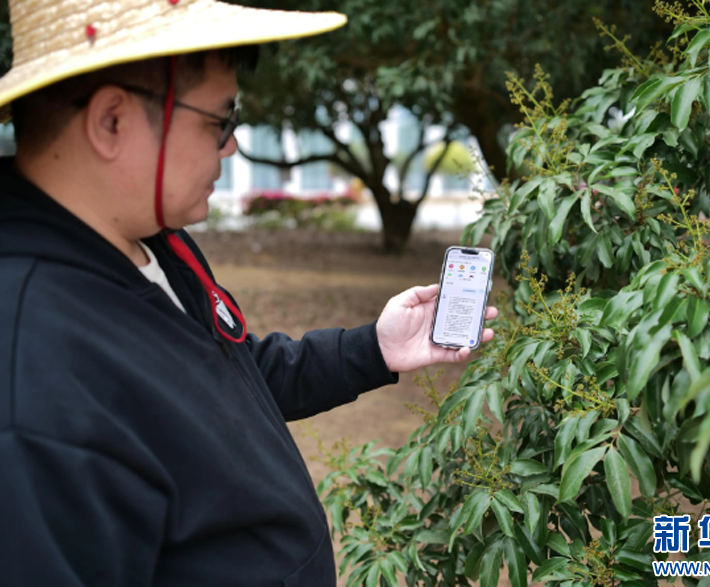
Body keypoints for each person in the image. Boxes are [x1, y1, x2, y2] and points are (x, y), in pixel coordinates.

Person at [0, 0, 498, 585]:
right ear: (112, 122)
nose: (231, 146)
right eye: (220, 121)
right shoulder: (32, 375)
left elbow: (227, 376)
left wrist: (372, 350)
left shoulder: (152, 241)